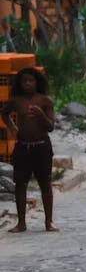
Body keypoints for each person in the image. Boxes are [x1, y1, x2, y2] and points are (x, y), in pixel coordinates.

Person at [0, 67, 58, 233]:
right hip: (22, 147)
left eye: (31, 81)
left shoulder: (45, 101)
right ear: (20, 83)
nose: (27, 84)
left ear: (37, 82)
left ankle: (48, 222)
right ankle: (21, 223)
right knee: (20, 185)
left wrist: (41, 114)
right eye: (24, 81)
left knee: (45, 184)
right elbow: (4, 114)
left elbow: (51, 126)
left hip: (42, 146)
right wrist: (12, 127)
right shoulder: (16, 101)